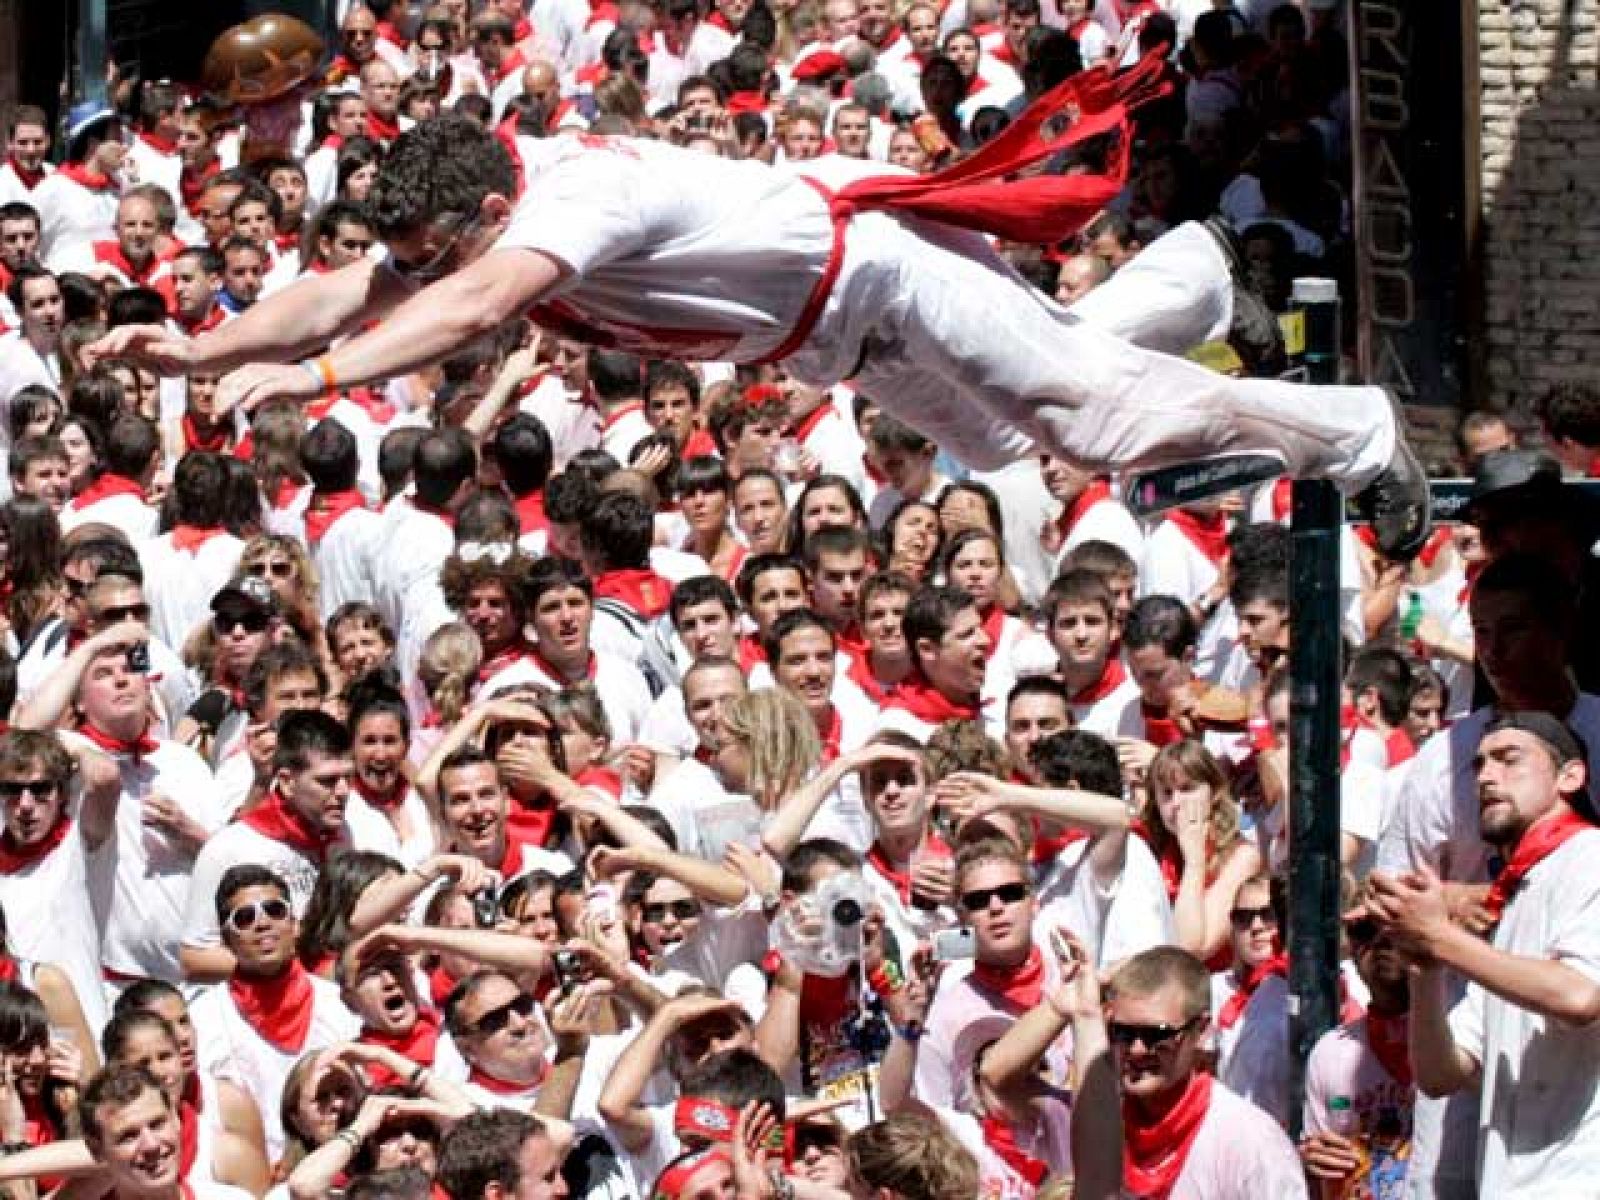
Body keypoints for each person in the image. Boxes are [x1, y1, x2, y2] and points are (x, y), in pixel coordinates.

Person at [91, 97, 1430, 564]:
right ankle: (1196, 277)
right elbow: (361, 288)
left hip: (884, 278)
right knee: (1030, 455)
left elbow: (470, 306)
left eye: (440, 247)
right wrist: (210, 349)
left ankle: (1356, 433)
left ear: (492, 204)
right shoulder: (481, 204)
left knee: (1107, 423)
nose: (414, 271)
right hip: (838, 336)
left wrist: (312, 380)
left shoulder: (574, 197)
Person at [1368, 712, 1600, 1197]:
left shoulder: (1591, 857)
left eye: (1508, 760)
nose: (1487, 777)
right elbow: (1440, 1073)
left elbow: (1581, 995)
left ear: (1570, 776)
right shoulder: (1517, 894)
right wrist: (1425, 969)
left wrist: (1441, 938)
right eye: (1479, 766)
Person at [1108, 946, 1307, 1197]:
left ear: (1201, 1031)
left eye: (1156, 1035)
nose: (1137, 1050)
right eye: (1123, 1033)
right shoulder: (1102, 1130)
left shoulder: (1248, 1140)